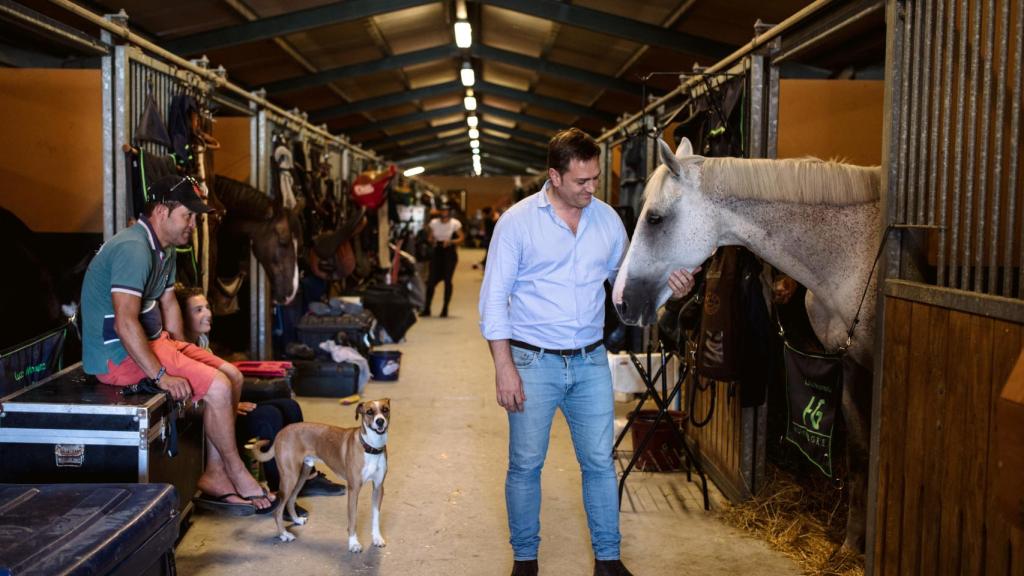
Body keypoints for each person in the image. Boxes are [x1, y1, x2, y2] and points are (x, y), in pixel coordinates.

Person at [479, 128, 698, 576]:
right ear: (554, 176)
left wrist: (670, 291)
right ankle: (525, 561)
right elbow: (492, 302)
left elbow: (626, 291)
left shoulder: (607, 221)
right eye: (581, 181)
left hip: (589, 361)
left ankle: (608, 561)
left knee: (599, 463)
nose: (591, 188)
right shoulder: (517, 223)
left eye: (595, 178)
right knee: (525, 465)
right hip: (532, 361)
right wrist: (504, 368)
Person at [80, 174, 275, 515]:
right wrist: (162, 376)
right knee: (217, 388)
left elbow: (169, 307)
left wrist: (192, 360)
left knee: (233, 376)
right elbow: (125, 323)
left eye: (196, 218)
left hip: (151, 343)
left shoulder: (164, 250)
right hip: (116, 357)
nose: (194, 224)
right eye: (189, 216)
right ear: (161, 211)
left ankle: (215, 474)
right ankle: (236, 470)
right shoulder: (133, 248)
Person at [174, 285, 346, 498]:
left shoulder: (201, 342)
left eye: (207, 307)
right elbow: (189, 403)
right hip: (209, 421)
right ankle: (281, 487)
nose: (208, 313)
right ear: (182, 316)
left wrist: (233, 402)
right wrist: (228, 407)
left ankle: (305, 476)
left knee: (289, 406)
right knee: (269, 417)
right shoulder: (180, 352)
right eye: (198, 310)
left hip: (224, 408)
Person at [422, 202, 465, 318]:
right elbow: (430, 237)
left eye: (446, 211)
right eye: (442, 210)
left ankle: (445, 308)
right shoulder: (434, 223)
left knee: (447, 280)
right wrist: (431, 240)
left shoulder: (455, 223)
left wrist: (451, 241)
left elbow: (461, 238)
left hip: (449, 252)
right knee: (430, 281)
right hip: (437, 251)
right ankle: (427, 308)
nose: (444, 213)